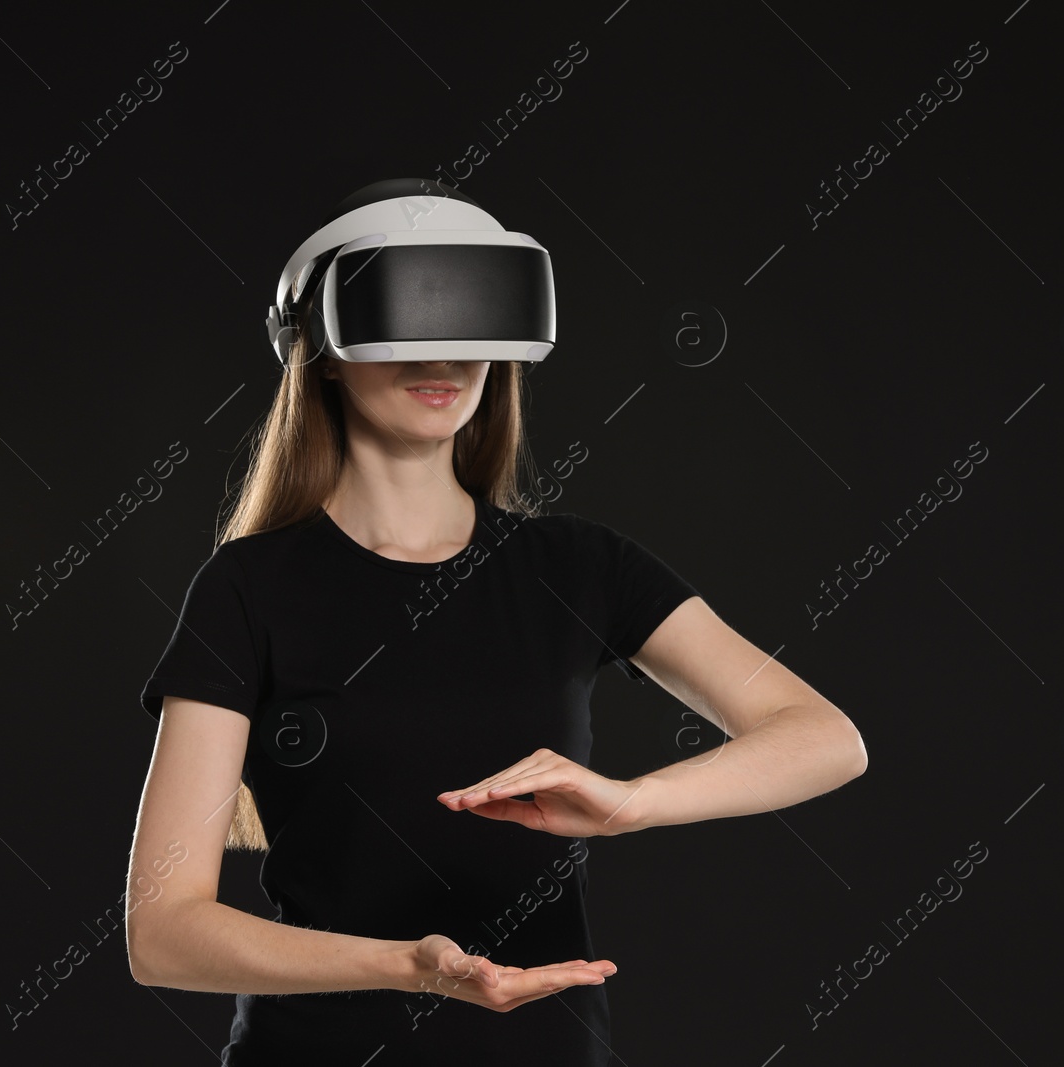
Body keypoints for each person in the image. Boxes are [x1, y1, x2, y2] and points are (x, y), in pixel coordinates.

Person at [124, 181, 868, 1064]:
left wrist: (635, 803)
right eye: (410, 312)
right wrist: (410, 966)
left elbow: (826, 737)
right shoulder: (247, 588)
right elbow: (163, 931)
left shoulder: (578, 565)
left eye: (474, 321)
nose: (445, 356)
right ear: (319, 345)